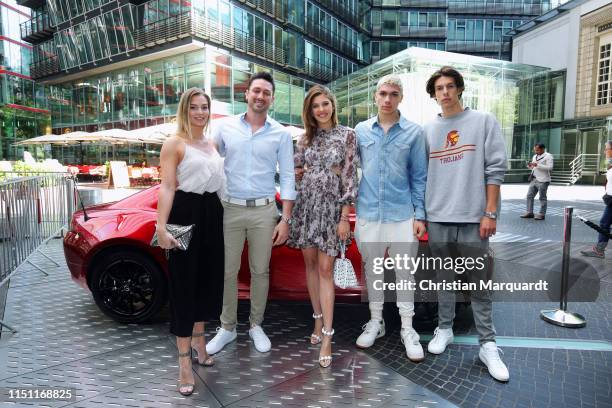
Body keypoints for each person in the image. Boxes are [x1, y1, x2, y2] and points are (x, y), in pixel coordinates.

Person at [423, 66, 509, 382]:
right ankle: (444, 329)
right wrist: (422, 217)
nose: (444, 92)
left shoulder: (483, 121)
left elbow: (495, 170)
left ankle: (488, 345)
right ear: (433, 94)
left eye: (449, 86)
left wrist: (490, 213)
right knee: (443, 280)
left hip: (474, 219)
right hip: (438, 217)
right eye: (439, 88)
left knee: (479, 285)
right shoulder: (428, 129)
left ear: (459, 89)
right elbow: (421, 176)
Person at [207, 72, 296, 355]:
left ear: (271, 98)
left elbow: (289, 177)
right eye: (256, 91)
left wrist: (286, 219)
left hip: (264, 210)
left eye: (266, 93)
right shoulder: (224, 128)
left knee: (260, 271)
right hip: (230, 209)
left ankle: (256, 325)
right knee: (227, 272)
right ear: (246, 94)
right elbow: (208, 160)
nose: (260, 96)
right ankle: (227, 328)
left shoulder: (280, 133)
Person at [353, 74, 428, 362]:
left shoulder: (414, 132)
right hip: (369, 214)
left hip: (401, 215)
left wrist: (419, 214)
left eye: (393, 94)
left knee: (404, 275)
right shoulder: (360, 131)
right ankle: (376, 322)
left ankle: (408, 329)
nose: (387, 99)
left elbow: (419, 177)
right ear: (375, 96)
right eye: (383, 93)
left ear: (401, 98)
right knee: (373, 272)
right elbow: (348, 169)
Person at [155, 88, 225, 396]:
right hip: (184, 213)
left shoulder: (211, 144)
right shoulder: (175, 144)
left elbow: (220, 187)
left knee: (207, 285)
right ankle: (184, 361)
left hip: (213, 214)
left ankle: (200, 344)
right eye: (194, 107)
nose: (200, 112)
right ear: (185, 110)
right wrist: (160, 227)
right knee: (184, 288)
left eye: (204, 107)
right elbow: (168, 187)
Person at [287, 85, 358, 367]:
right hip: (307, 208)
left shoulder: (347, 135)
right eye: (316, 106)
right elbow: (295, 172)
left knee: (326, 269)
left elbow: (351, 179)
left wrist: (344, 217)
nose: (321, 109)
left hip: (331, 212)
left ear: (332, 106)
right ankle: (316, 320)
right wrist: (310, 172)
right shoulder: (304, 139)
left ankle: (328, 334)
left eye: (325, 103)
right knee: (311, 267)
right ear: (310, 111)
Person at [580, 140, 612, 258]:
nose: (604, 151)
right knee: (604, 223)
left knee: (604, 223)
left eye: (607, 148)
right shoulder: (610, 163)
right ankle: (599, 249)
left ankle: (599, 249)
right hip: (610, 200)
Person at [520, 143, 553, 220]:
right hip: (534, 179)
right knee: (529, 196)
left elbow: (550, 168)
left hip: (543, 180)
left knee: (542, 197)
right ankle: (529, 212)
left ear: (543, 149)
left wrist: (537, 165)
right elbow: (534, 167)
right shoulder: (535, 156)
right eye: (535, 149)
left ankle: (542, 214)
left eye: (537, 149)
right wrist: (530, 166)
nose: (535, 151)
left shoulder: (548, 156)